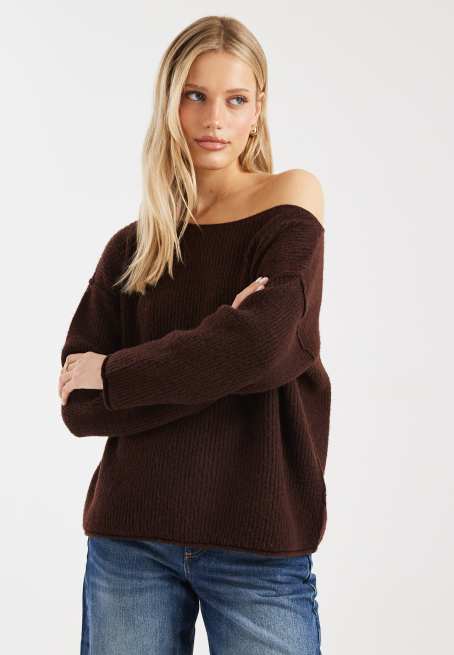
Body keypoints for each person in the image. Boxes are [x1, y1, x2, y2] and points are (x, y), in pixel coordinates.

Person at [58, 15, 330, 655]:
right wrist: (219, 343)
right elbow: (79, 405)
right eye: (195, 96)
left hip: (258, 541)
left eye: (235, 99)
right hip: (130, 537)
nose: (214, 119)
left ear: (258, 108)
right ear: (169, 104)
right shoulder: (133, 247)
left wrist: (117, 372)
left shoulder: (289, 203)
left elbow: (258, 346)